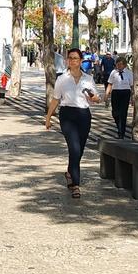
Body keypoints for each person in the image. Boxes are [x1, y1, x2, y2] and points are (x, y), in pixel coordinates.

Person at [45, 48, 101, 199]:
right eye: (70, 58)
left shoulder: (88, 79)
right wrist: (48, 117)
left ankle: (70, 172)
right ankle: (76, 184)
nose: (72, 61)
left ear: (81, 61)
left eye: (75, 58)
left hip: (84, 115)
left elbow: (96, 98)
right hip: (67, 114)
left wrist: (94, 98)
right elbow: (56, 99)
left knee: (80, 149)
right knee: (74, 148)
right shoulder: (62, 79)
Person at [106, 57, 133, 139]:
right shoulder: (113, 72)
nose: (119, 66)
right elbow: (110, 84)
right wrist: (106, 95)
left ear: (124, 65)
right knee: (115, 113)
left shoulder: (129, 73)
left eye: (120, 64)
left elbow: (132, 86)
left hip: (125, 93)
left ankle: (121, 133)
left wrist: (133, 97)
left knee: (123, 113)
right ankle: (119, 126)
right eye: (117, 64)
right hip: (116, 92)